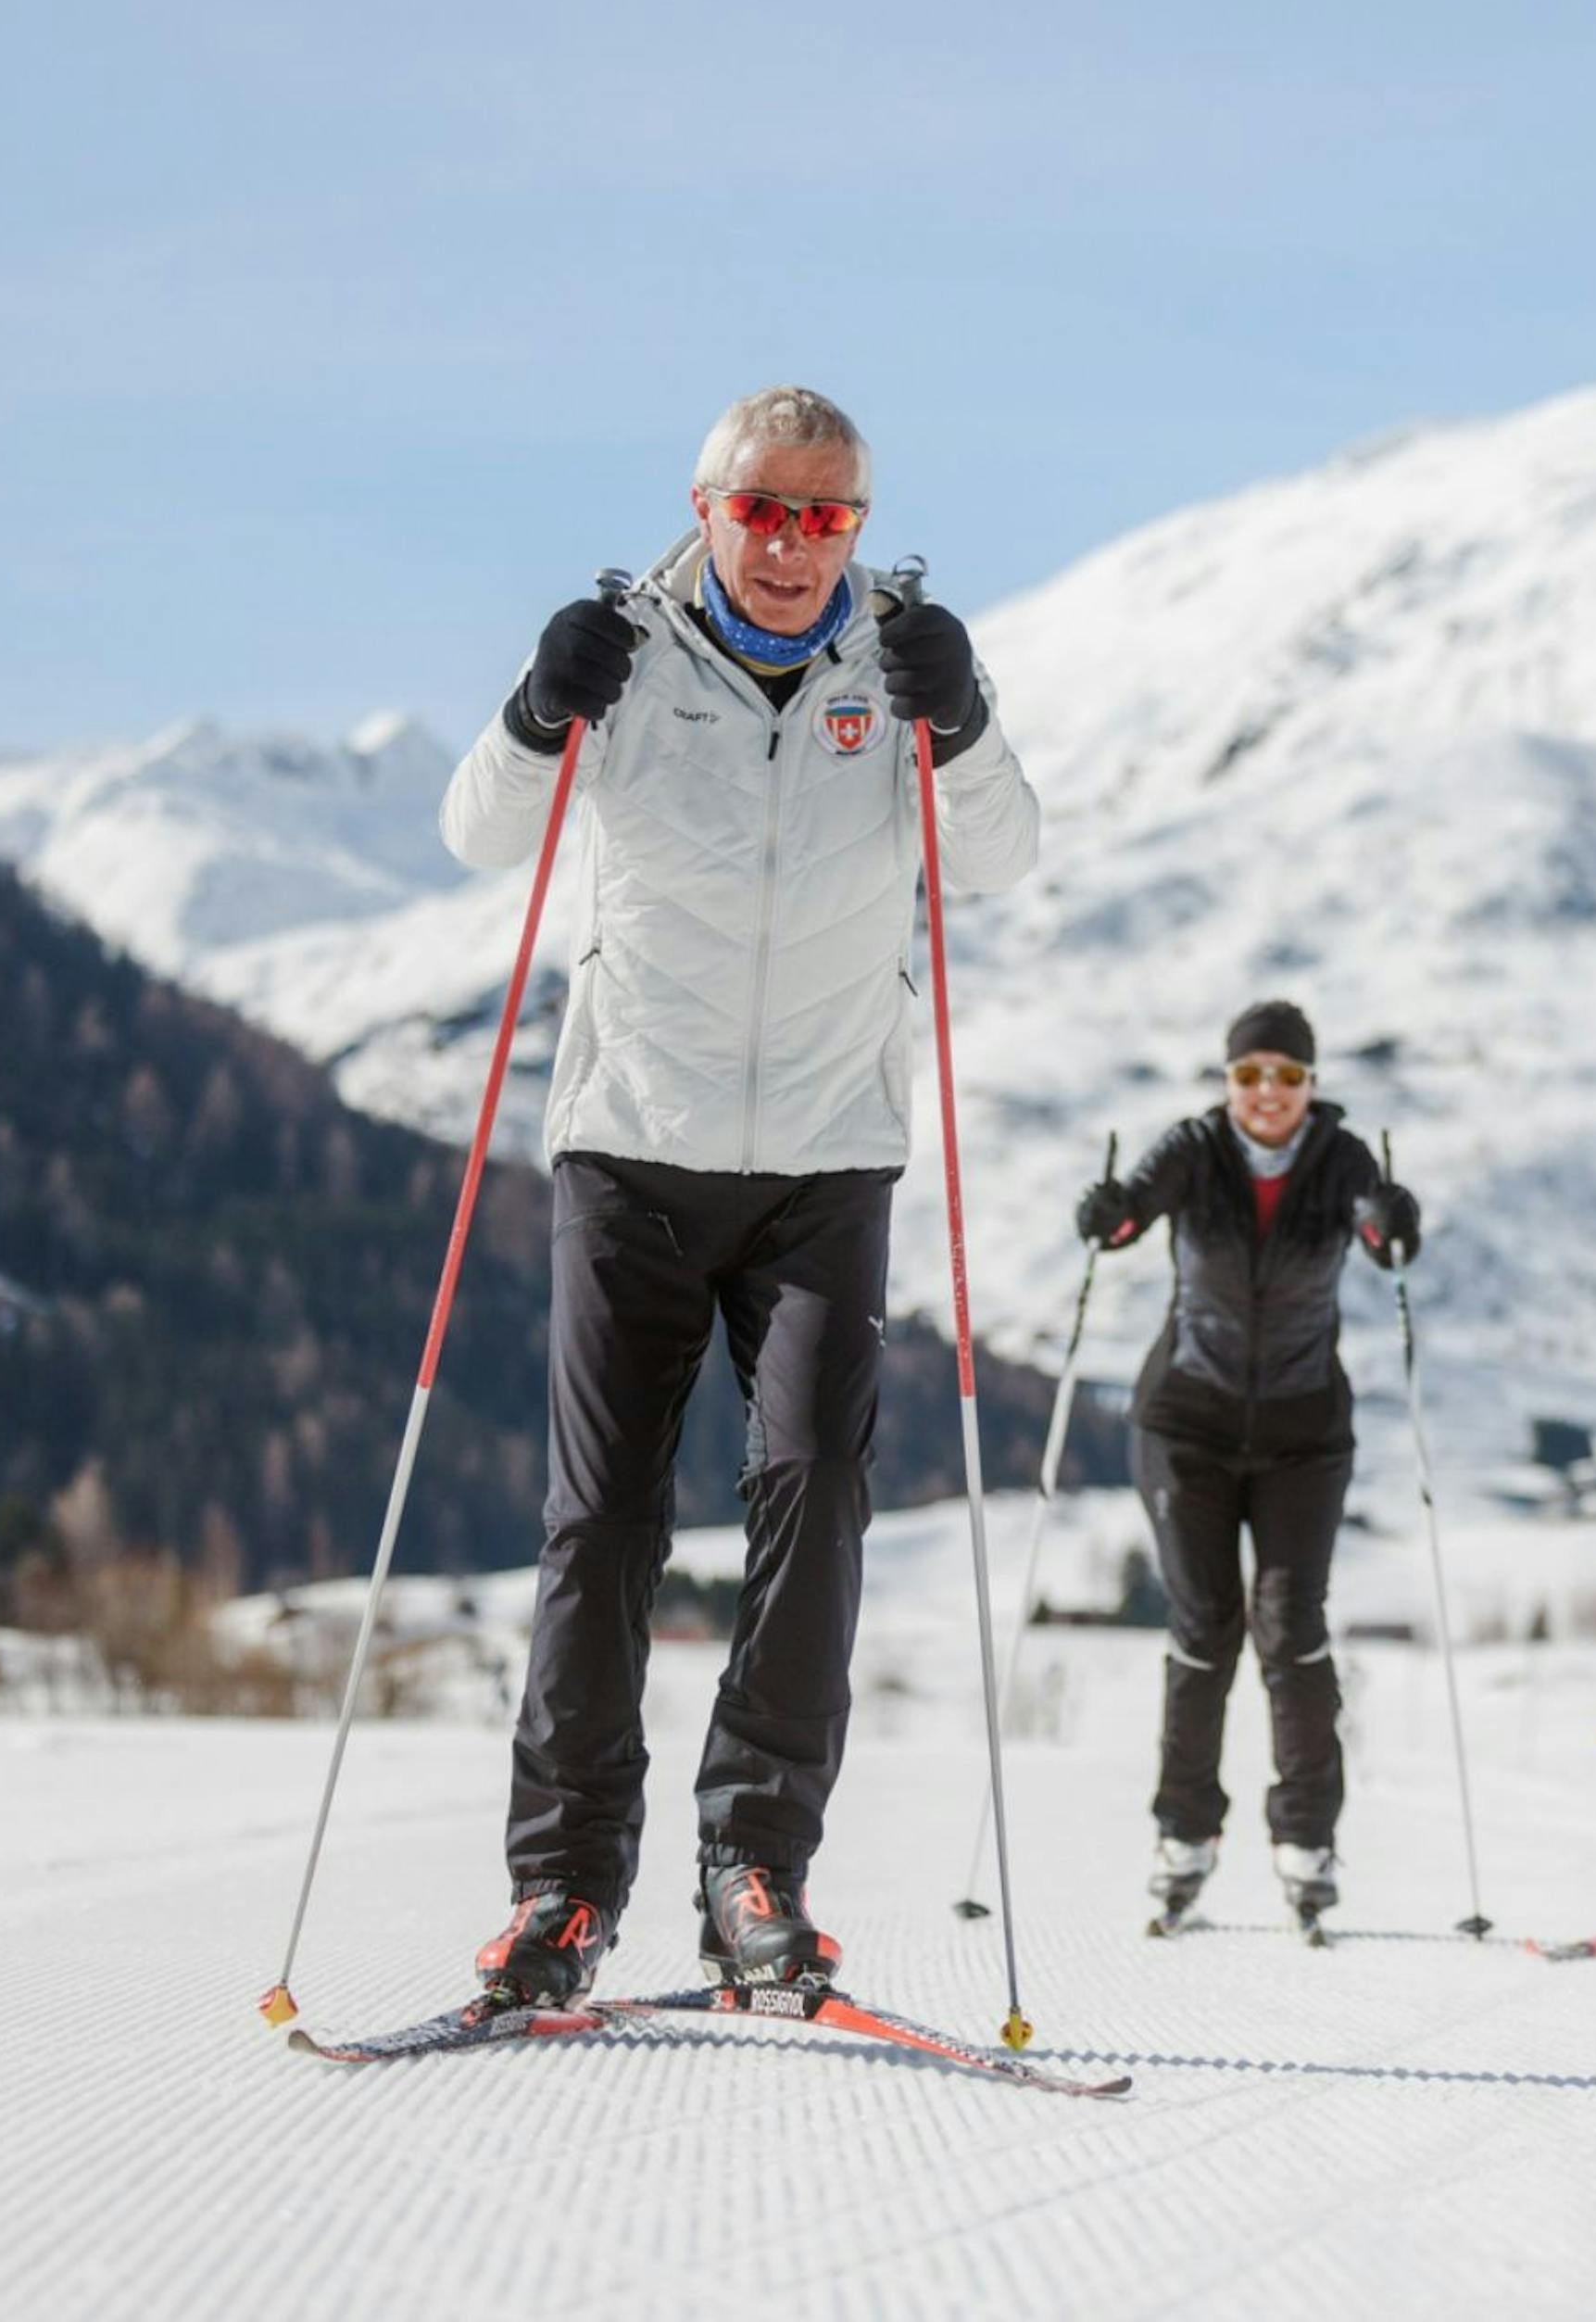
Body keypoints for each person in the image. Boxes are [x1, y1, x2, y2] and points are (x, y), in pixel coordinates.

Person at [437, 385, 1039, 2010]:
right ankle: (562, 1891)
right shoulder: (623, 654)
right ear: (706, 506)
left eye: (826, 516)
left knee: (814, 1501)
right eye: (764, 510)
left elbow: (998, 858)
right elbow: (480, 832)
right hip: (635, 1141)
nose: (791, 546)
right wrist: (531, 705)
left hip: (830, 1158)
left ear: (861, 524)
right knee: (603, 1525)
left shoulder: (901, 662)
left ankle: (753, 1871)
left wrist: (966, 722)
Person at [1071, 1002, 1421, 1932]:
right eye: (1251, 1074)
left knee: (1290, 1624)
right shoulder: (1195, 1148)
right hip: (1187, 1420)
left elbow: (1377, 1222)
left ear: (1311, 1086)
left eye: (1288, 1076)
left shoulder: (1339, 1159)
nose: (1269, 1093)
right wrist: (1112, 1216)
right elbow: (1135, 1207)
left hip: (1305, 1431)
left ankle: (1306, 1836)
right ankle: (1184, 1832)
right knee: (1206, 1624)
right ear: (1229, 1083)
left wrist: (1391, 1222)